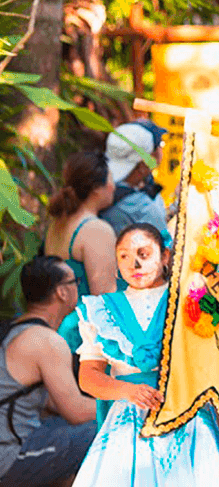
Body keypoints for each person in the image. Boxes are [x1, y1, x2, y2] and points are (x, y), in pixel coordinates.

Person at [72, 223, 219, 486]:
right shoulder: (102, 310)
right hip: (127, 426)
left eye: (144, 254)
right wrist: (127, 391)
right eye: (124, 256)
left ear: (165, 256)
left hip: (188, 417)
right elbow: (88, 377)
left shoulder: (190, 298)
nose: (134, 264)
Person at [0, 257, 97, 487]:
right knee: (98, 431)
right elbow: (76, 411)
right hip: (9, 457)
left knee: (66, 435)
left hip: (12, 445)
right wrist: (125, 399)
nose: (78, 287)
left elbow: (49, 404)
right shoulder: (46, 341)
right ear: (62, 292)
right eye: (76, 282)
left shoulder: (16, 329)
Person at [45, 151, 118, 352]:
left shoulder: (58, 222)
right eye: (111, 179)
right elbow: (104, 298)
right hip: (80, 340)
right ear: (96, 188)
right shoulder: (96, 230)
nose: (114, 187)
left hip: (54, 327)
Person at [100, 121, 169, 236]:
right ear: (143, 165)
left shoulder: (99, 187)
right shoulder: (139, 205)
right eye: (160, 145)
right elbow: (166, 244)